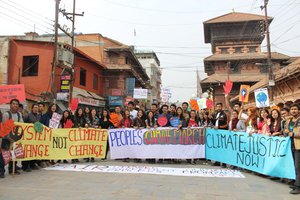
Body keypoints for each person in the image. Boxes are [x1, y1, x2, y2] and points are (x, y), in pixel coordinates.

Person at [0, 99, 24, 178]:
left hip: (15, 138)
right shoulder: (6, 114)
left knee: (14, 154)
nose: (15, 105)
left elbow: (21, 125)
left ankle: (12, 169)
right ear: (10, 105)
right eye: (13, 104)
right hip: (6, 138)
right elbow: (4, 127)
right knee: (4, 155)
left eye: (16, 104)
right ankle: (1, 171)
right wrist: (8, 137)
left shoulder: (19, 114)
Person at [284, 103, 300, 194]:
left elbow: (294, 133)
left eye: (295, 109)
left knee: (298, 167)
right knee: (293, 165)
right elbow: (286, 131)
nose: (293, 111)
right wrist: (286, 132)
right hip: (290, 145)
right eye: (292, 109)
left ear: (298, 111)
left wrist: (293, 134)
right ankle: (295, 182)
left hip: (298, 146)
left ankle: (298, 187)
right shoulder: (288, 120)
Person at [22, 104, 41, 171]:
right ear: (32, 108)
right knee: (27, 151)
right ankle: (25, 166)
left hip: (35, 137)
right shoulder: (27, 116)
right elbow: (23, 125)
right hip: (28, 137)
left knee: (33, 151)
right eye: (35, 107)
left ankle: (32, 164)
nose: (36, 109)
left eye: (37, 108)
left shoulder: (38, 116)